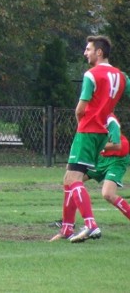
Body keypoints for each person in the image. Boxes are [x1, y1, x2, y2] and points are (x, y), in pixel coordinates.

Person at [50, 35, 130, 243]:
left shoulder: (92, 74)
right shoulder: (121, 76)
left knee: (74, 180)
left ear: (99, 52)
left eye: (88, 49)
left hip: (88, 130)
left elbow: (80, 108)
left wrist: (80, 124)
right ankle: (67, 228)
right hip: (102, 132)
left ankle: (90, 225)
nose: (85, 53)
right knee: (69, 177)